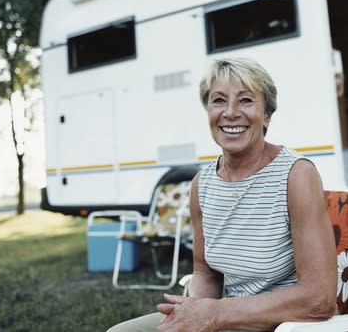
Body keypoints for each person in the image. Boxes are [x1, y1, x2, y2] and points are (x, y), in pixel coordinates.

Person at [107, 58, 336, 332]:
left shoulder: (296, 176)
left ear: (267, 115)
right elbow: (205, 272)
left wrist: (215, 314)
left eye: (246, 101)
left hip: (282, 324)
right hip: (225, 317)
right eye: (218, 101)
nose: (230, 112)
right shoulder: (201, 184)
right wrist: (195, 313)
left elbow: (319, 299)